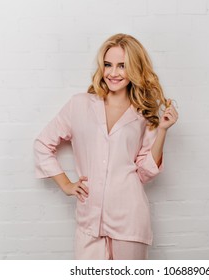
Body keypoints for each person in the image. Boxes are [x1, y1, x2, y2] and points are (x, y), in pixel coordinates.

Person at [33, 33, 178, 260]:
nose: (113, 72)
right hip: (89, 219)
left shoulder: (144, 115)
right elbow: (43, 144)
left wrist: (162, 131)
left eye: (122, 66)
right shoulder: (79, 105)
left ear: (135, 68)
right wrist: (66, 185)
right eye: (108, 65)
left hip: (129, 218)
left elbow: (145, 171)